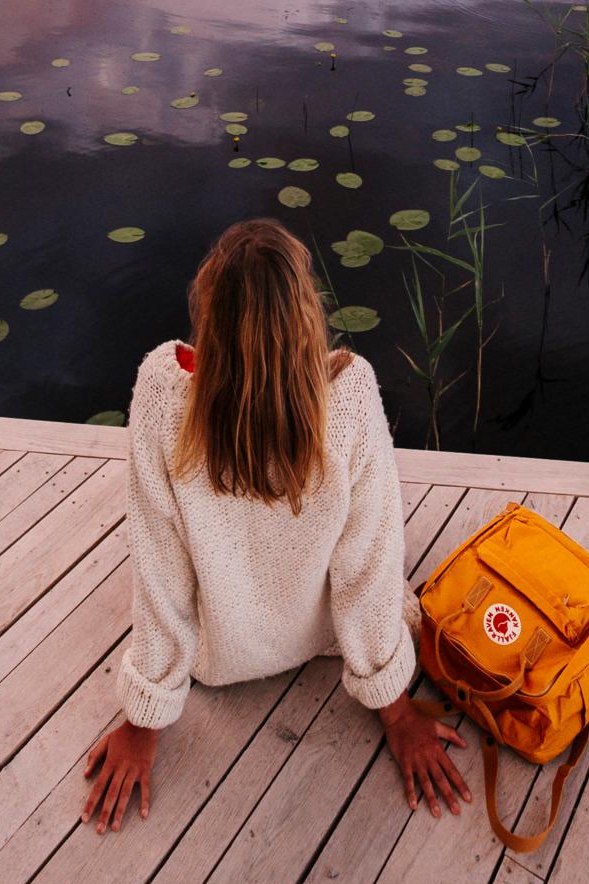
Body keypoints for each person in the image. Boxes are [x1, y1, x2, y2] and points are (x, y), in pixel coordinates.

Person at [82, 217, 471, 833]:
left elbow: (159, 569)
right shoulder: (349, 398)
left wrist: (144, 722)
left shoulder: (162, 392)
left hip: (218, 656)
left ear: (208, 311)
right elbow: (368, 568)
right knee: (380, 553)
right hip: (325, 638)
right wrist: (396, 715)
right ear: (305, 315)